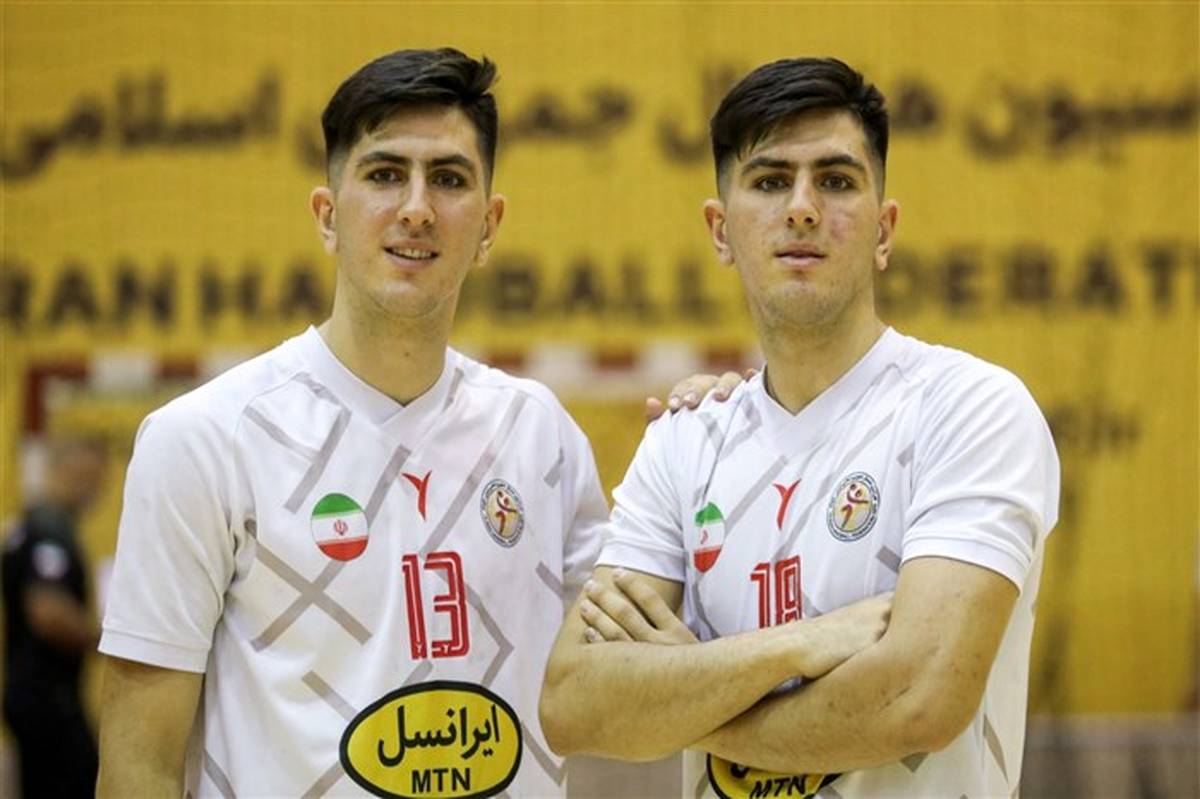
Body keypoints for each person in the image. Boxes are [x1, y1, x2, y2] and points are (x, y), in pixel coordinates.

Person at [95, 47, 737, 798]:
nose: (417, 208)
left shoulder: (541, 434)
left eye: (450, 179)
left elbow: (632, 678)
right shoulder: (203, 440)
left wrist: (723, 440)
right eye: (384, 174)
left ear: (489, 225)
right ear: (327, 216)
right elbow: (137, 765)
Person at [540, 57, 1060, 798]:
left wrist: (680, 700)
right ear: (720, 230)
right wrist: (801, 645)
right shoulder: (684, 439)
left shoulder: (971, 407)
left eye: (837, 181)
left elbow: (918, 698)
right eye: (770, 181)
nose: (804, 208)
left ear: (884, 231)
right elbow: (574, 702)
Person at [2, 435, 107, 798]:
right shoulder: (50, 530)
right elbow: (47, 611)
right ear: (65, 469)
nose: (94, 490)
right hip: (47, 698)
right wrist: (107, 640)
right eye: (88, 477)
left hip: (33, 694)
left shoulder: (31, 525)